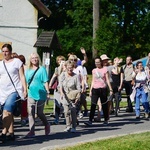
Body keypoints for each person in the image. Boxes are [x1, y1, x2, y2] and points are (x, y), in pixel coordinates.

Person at [0, 44, 27, 143]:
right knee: (7, 113)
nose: (4, 53)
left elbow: (22, 76)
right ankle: (11, 133)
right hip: (2, 91)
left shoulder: (17, 62)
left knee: (7, 111)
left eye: (6, 51)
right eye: (3, 51)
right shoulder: (0, 64)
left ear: (10, 52)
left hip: (14, 90)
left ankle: (3, 133)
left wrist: (25, 89)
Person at [25, 52, 50, 137]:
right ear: (30, 60)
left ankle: (46, 124)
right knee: (31, 112)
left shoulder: (42, 69)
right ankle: (31, 131)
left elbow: (45, 81)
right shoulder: (27, 70)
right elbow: (25, 82)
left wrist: (48, 92)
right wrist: (24, 91)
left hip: (41, 94)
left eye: (36, 58)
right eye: (33, 58)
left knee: (39, 113)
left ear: (38, 59)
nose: (34, 59)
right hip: (31, 93)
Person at [84, 57, 113, 126]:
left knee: (104, 105)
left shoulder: (105, 69)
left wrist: (110, 89)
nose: (97, 64)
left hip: (103, 88)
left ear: (101, 62)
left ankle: (106, 119)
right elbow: (93, 80)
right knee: (93, 104)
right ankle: (90, 120)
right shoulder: (94, 70)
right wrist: (90, 90)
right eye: (96, 62)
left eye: (98, 62)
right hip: (95, 89)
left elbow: (107, 80)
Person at [59, 60, 81, 132]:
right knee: (66, 111)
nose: (70, 69)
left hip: (73, 96)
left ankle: (74, 126)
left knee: (73, 111)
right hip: (65, 95)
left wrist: (78, 96)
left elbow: (78, 88)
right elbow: (60, 85)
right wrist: (61, 93)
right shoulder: (63, 75)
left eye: (71, 67)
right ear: (65, 67)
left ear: (73, 68)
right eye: (68, 67)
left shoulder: (76, 76)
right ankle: (68, 125)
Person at [49, 55, 66, 124]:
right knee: (57, 104)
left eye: (62, 60)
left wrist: (64, 67)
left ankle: (66, 118)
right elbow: (54, 76)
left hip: (65, 88)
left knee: (65, 104)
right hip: (58, 88)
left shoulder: (67, 68)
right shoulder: (57, 69)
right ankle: (56, 119)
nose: (61, 61)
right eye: (59, 60)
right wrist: (50, 85)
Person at [18, 55, 28, 126]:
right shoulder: (26, 67)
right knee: (23, 104)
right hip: (21, 87)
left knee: (23, 104)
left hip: (22, 86)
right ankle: (23, 118)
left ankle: (24, 118)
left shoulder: (24, 68)